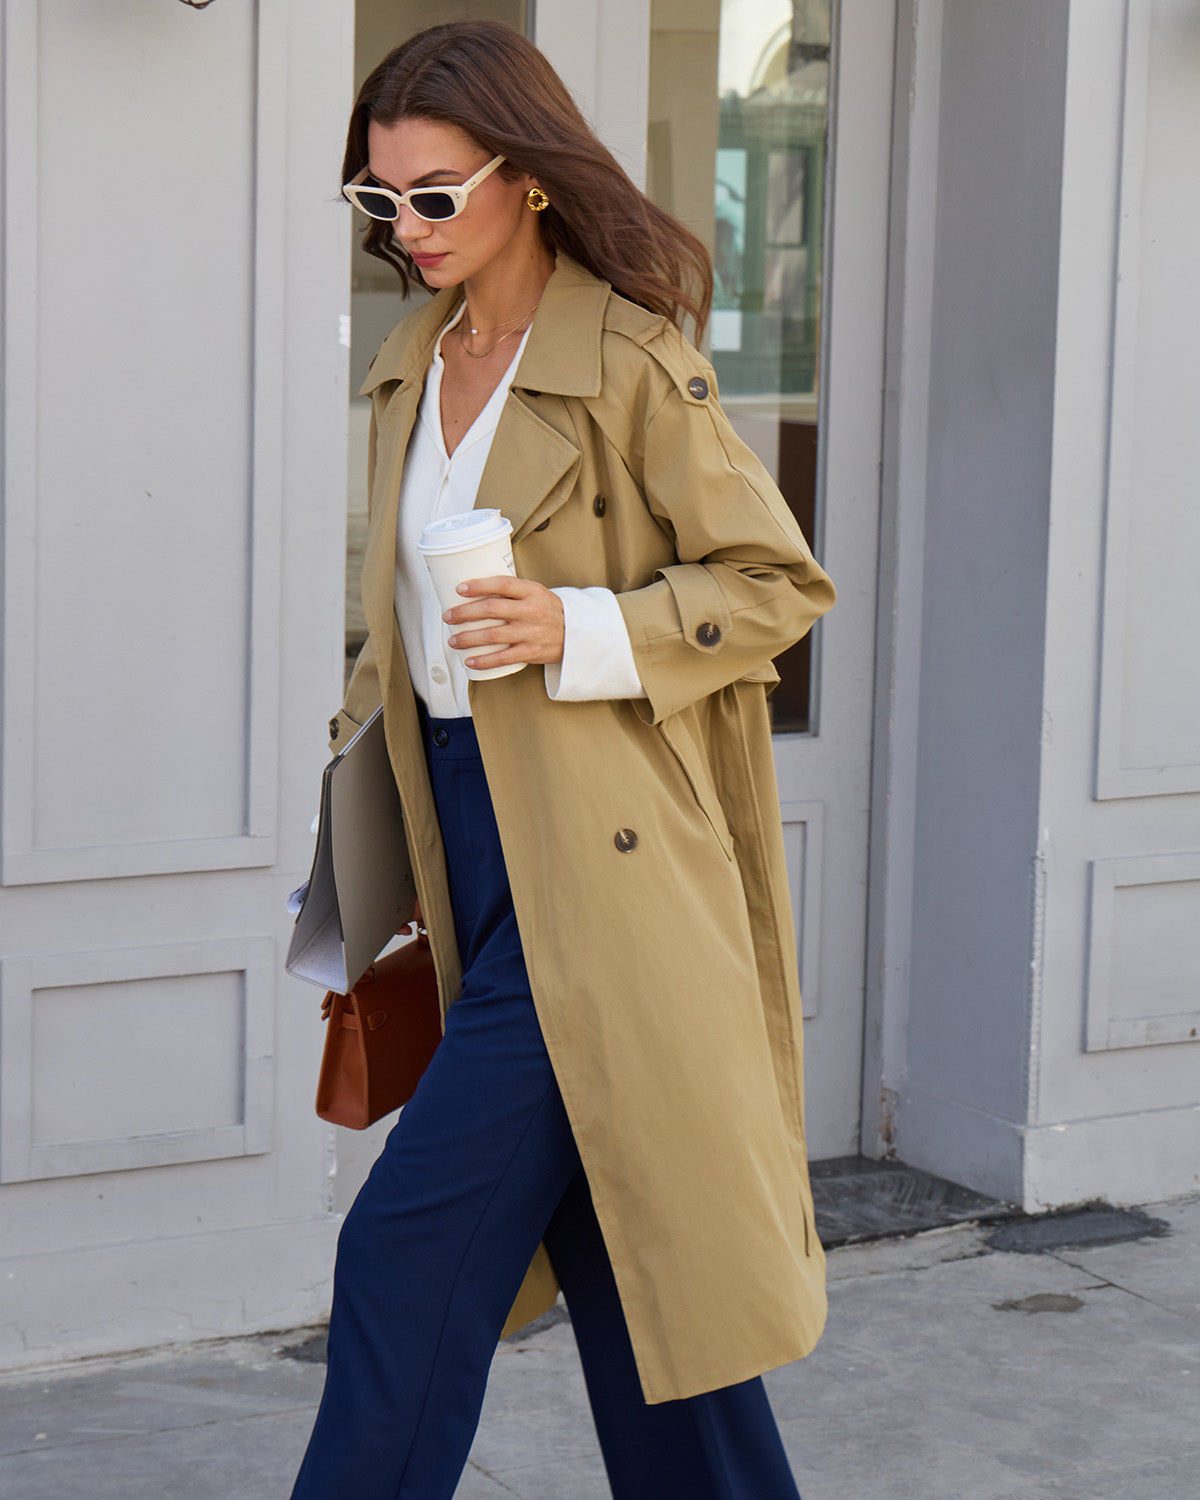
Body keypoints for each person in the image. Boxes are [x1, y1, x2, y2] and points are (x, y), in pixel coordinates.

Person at [290, 20, 836, 1500]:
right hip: (464, 833)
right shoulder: (414, 364)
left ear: (525, 178)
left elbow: (774, 585)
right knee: (624, 1256)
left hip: (604, 863)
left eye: (434, 195)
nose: (406, 228)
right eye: (379, 199)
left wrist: (579, 625)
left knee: (403, 1253)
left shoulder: (632, 361)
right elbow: (395, 644)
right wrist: (360, 861)